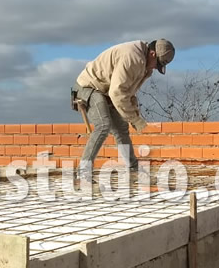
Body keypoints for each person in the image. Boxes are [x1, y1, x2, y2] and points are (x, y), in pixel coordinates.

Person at [73, 38, 175, 183]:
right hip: (88, 88)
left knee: (121, 129)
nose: (154, 68)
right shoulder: (131, 58)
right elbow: (117, 93)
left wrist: (134, 113)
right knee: (104, 125)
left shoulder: (144, 66)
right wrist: (135, 119)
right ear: (152, 54)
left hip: (105, 91)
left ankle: (134, 172)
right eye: (157, 64)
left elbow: (128, 93)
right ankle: (83, 173)